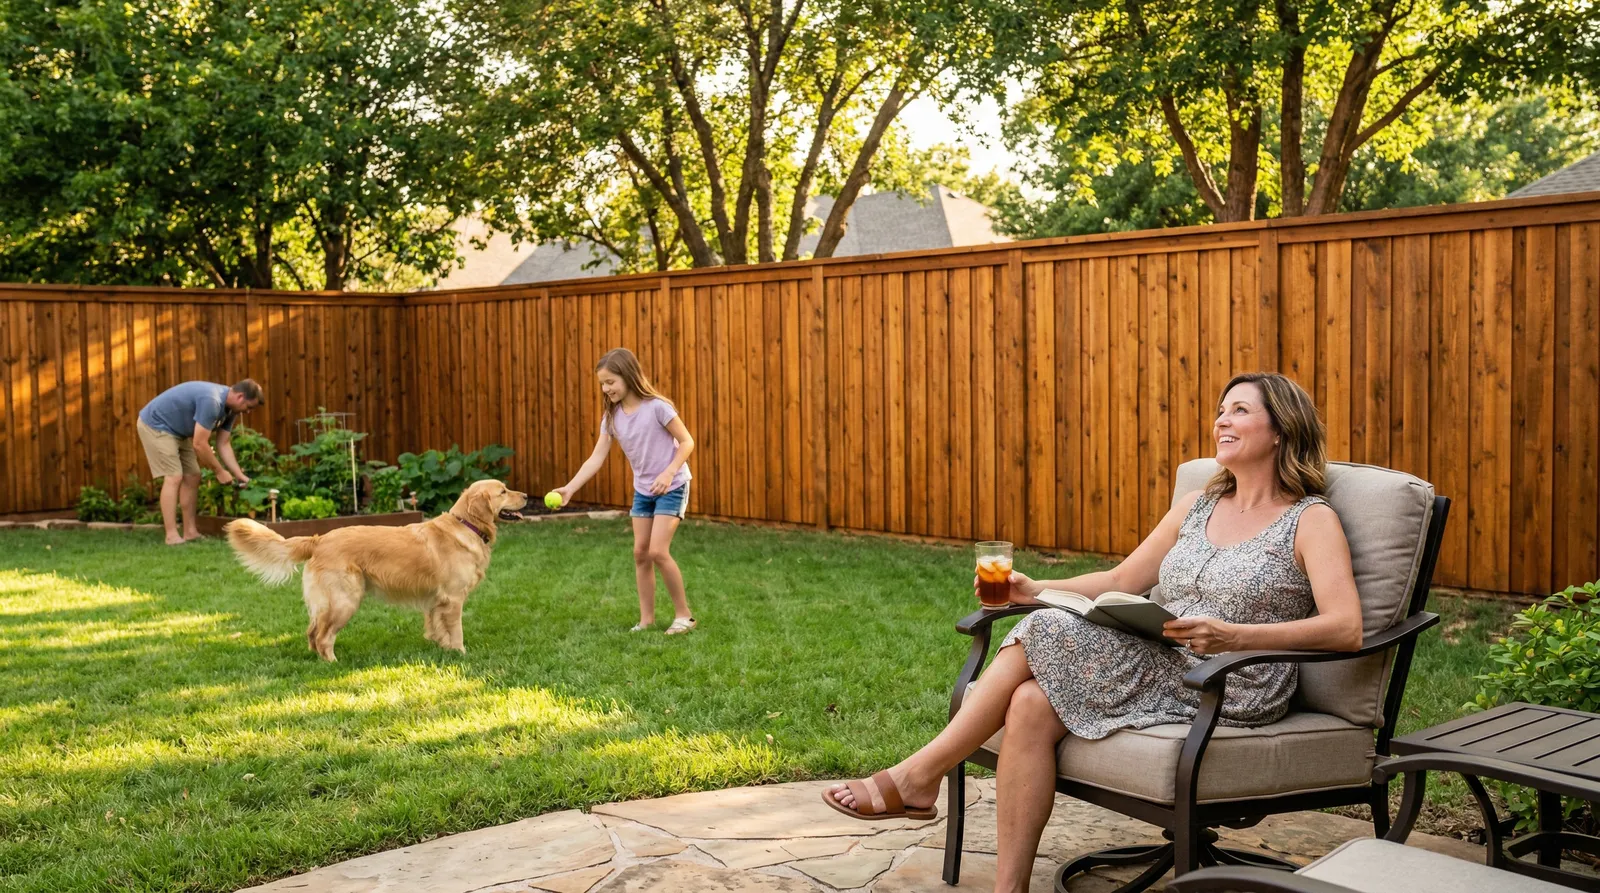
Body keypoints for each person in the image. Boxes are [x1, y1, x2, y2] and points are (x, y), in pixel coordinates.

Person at [822, 371, 1364, 893]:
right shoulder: (1198, 505)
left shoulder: (1309, 519)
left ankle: (919, 776)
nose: (1222, 420)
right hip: (1166, 657)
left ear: (1281, 429)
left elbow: (1346, 628)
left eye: (1240, 411)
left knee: (1046, 630)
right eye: (1221, 410)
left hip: (1236, 679)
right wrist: (1034, 589)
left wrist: (1234, 637)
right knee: (1031, 700)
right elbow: (1122, 578)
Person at [551, 348, 698, 634]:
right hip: (643, 489)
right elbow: (596, 458)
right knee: (641, 553)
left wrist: (668, 473)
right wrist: (569, 489)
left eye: (610, 382)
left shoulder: (658, 407)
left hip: (673, 485)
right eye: (602, 385)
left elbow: (687, 442)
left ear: (627, 376)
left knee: (657, 550)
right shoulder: (612, 417)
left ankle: (685, 616)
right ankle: (647, 620)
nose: (606, 390)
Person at [137, 379, 264, 545]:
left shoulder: (231, 411)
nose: (248, 412)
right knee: (174, 476)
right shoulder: (212, 400)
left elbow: (223, 444)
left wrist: (239, 475)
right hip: (156, 424)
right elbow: (199, 444)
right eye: (249, 407)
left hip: (177, 431)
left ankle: (190, 532)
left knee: (193, 476)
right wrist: (219, 471)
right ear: (240, 397)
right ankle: (171, 535)